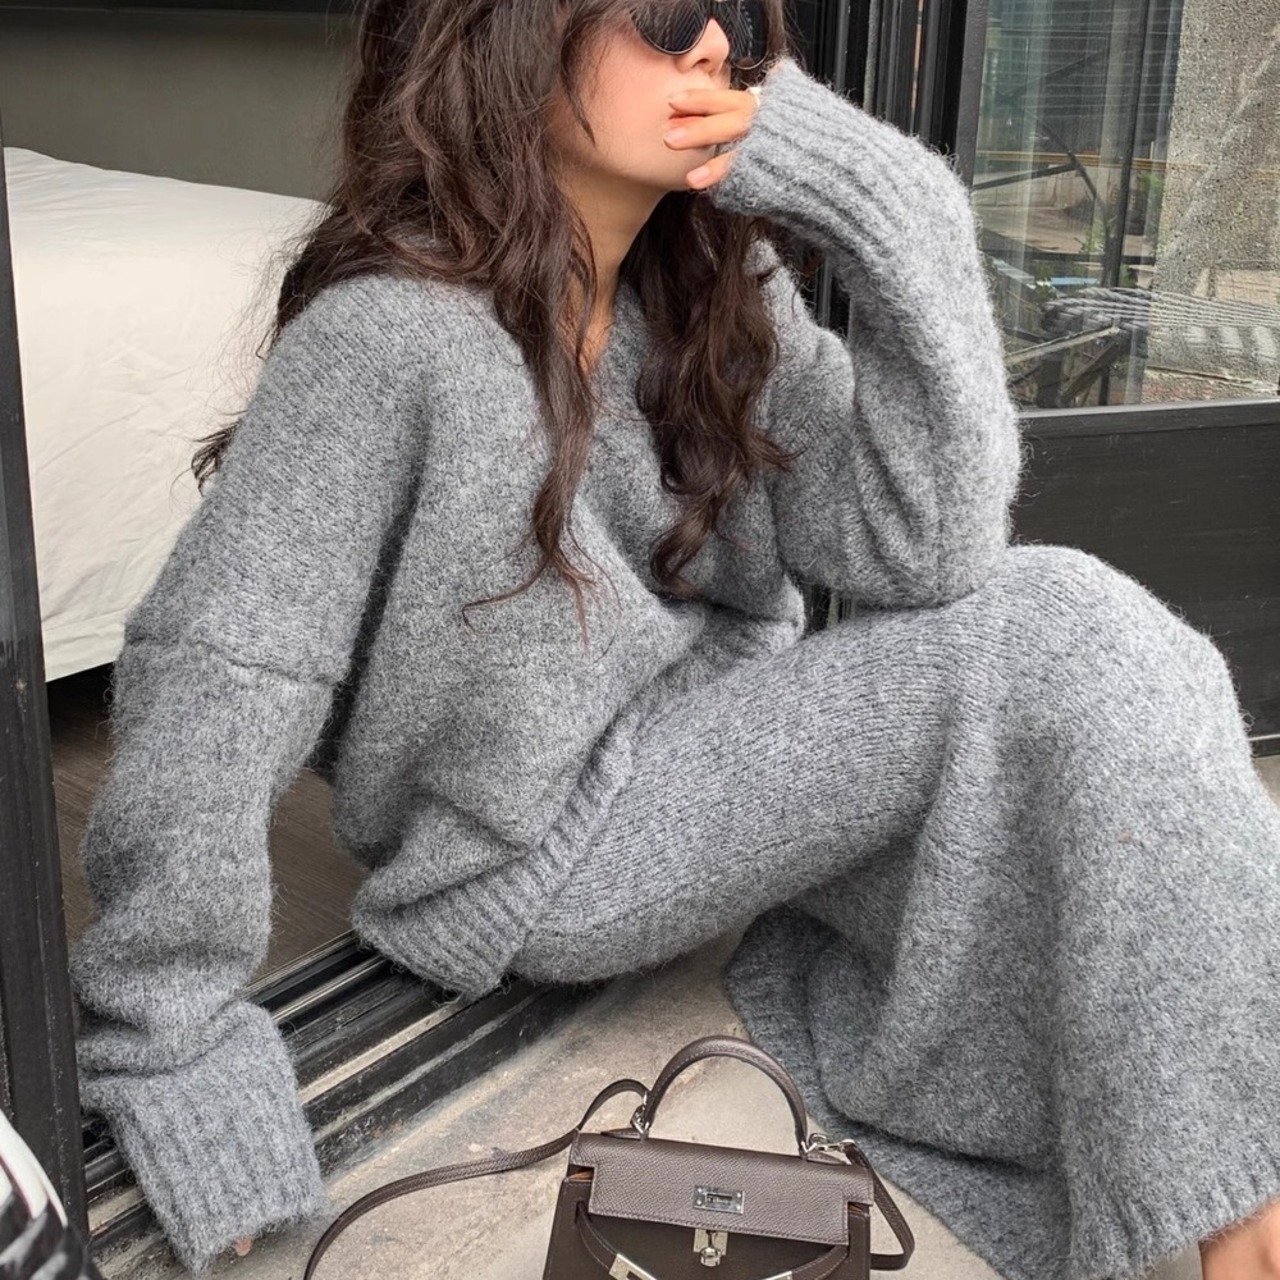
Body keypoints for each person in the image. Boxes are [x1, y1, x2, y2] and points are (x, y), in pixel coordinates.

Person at [65, 0, 1280, 1277]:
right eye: (658, 15)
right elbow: (221, 672)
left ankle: (1238, 1190)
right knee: (1068, 638)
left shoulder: (714, 295)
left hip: (712, 755)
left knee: (1112, 734)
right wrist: (167, 1026)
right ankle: (1246, 1230)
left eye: (739, 25)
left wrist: (899, 211)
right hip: (540, 851)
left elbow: (921, 548)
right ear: (507, 33)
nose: (709, 47)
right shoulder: (391, 337)